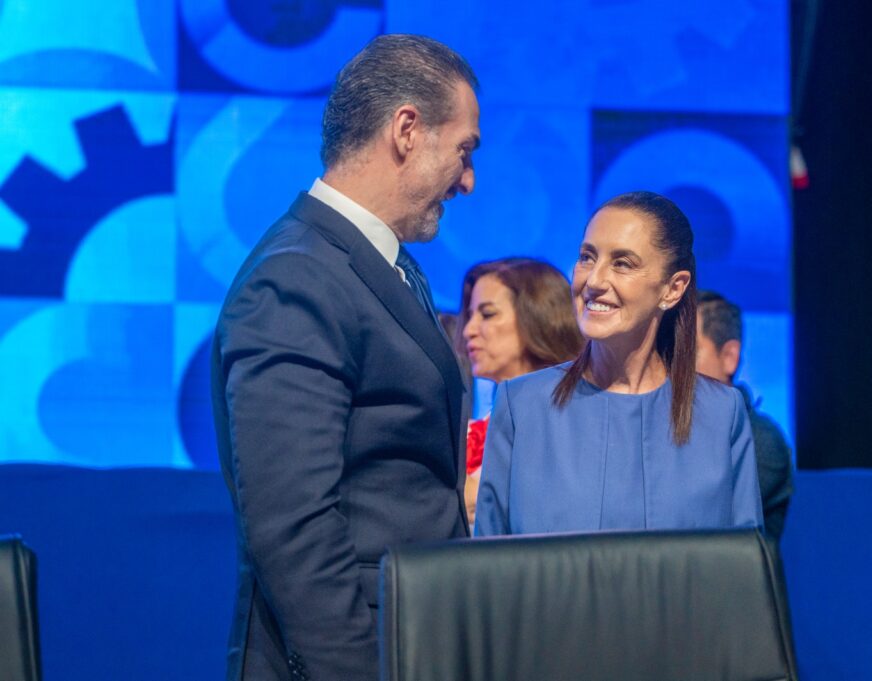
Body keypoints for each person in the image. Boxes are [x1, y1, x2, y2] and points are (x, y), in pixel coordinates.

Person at [211, 35, 480, 680]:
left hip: (413, 639)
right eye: (464, 150)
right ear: (407, 130)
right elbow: (294, 527)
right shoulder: (298, 278)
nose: (468, 180)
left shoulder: (379, 264)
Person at [474, 192, 763, 536]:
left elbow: (743, 560)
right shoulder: (522, 405)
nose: (594, 281)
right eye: (587, 257)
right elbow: (491, 558)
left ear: (673, 289)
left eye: (622, 263)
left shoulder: (721, 414)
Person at [457, 258, 583, 525]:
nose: (468, 330)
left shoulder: (577, 419)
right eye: (470, 315)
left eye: (487, 314)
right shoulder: (474, 429)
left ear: (538, 316)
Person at [695, 289, 794, 542]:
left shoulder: (760, 440)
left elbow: (702, 519)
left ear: (729, 357)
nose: (672, 365)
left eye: (688, 352)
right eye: (666, 351)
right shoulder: (659, 428)